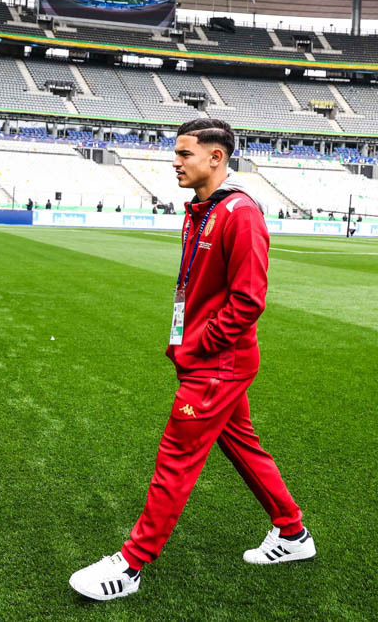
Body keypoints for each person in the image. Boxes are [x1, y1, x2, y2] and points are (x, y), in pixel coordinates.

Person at [69, 119, 312, 602]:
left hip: (218, 364)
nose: (175, 163)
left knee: (175, 459)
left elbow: (249, 300)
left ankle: (131, 564)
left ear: (216, 157)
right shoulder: (202, 210)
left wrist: (201, 345)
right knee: (243, 447)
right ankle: (292, 532)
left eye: (184, 154)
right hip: (204, 358)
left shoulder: (240, 213)